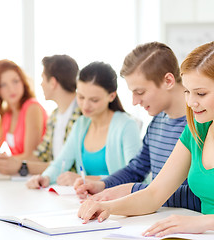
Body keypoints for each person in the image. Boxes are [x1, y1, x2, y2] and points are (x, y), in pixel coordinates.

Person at [77, 40, 214, 237]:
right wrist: (109, 207)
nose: (191, 103)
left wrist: (205, 222)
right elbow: (154, 194)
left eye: (201, 94)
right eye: (188, 92)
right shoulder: (196, 132)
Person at [74, 42, 201, 212]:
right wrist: (103, 185)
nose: (134, 101)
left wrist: (132, 190)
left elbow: (201, 194)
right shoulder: (157, 122)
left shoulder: (201, 124)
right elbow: (137, 168)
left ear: (168, 80)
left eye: (140, 92)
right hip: (158, 218)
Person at [26, 61, 142, 188]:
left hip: (118, 202)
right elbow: (60, 164)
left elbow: (135, 176)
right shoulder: (81, 124)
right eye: (81, 97)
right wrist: (45, 178)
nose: (85, 106)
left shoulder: (127, 125)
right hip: (89, 200)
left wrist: (85, 179)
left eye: (94, 100)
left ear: (112, 96)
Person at [0, 55, 82, 176]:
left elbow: (68, 167)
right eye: (3, 85)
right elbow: (41, 156)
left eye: (43, 79)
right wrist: (13, 163)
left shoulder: (82, 115)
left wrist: (21, 165)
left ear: (53, 82)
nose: (41, 84)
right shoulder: (55, 116)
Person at [0, 59, 47, 173]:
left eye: (15, 81)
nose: (11, 89)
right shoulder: (6, 115)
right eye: (3, 84)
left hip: (37, 176)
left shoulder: (32, 108)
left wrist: (2, 160)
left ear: (23, 82)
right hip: (19, 177)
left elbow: (31, 156)